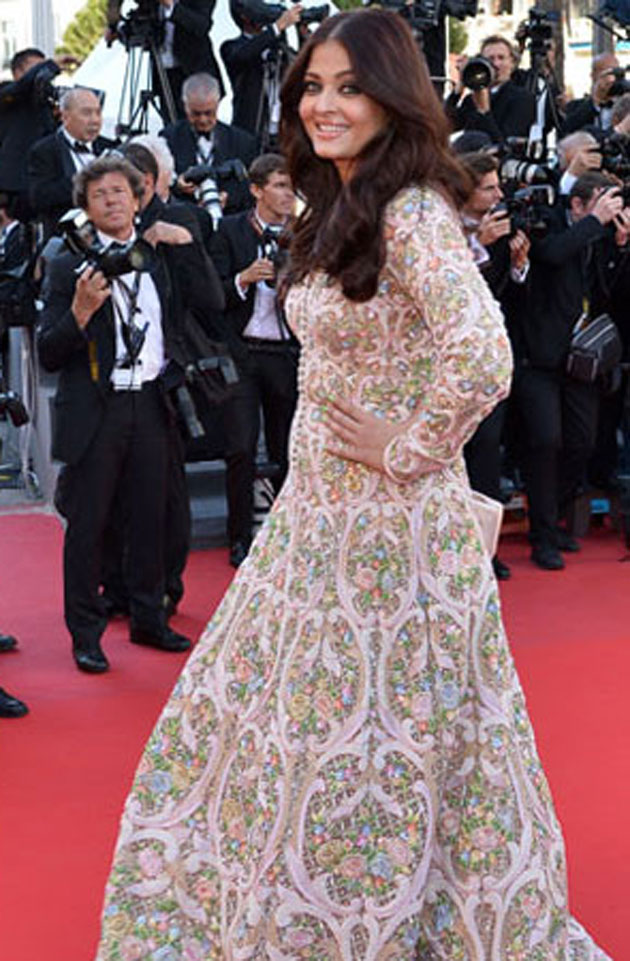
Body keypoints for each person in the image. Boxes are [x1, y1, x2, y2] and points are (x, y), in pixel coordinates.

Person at [93, 11, 611, 960]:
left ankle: (374, 913)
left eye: (350, 87)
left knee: (377, 728)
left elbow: (482, 355)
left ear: (392, 96)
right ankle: (318, 899)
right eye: (313, 86)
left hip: (388, 525)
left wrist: (404, 448)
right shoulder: (342, 201)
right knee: (310, 719)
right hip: (319, 511)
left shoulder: (409, 209)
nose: (325, 105)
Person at [37, 155, 221, 674]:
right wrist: (79, 312)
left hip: (153, 399)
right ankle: (86, 633)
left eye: (121, 191)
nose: (113, 200)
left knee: (151, 516)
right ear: (86, 210)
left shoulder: (159, 255)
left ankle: (148, 616)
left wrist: (187, 246)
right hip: (99, 408)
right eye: (101, 195)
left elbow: (210, 300)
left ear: (139, 197)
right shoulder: (66, 266)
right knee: (89, 525)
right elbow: (50, 352)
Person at [210, 152, 298, 568]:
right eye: (280, 186)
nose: (288, 195)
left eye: (292, 187)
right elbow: (211, 296)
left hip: (287, 353)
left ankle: (288, 534)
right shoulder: (229, 230)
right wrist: (244, 278)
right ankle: (240, 537)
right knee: (241, 448)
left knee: (288, 449)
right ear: (257, 189)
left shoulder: (305, 233)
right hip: (243, 353)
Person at [106, 0, 224, 119]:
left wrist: (170, 5)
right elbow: (141, 30)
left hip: (195, 75)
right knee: (171, 130)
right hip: (164, 76)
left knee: (197, 129)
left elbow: (201, 25)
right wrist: (117, 28)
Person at [160, 72, 257, 216]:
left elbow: (252, 189)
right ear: (185, 106)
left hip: (230, 222)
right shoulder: (168, 139)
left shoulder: (243, 142)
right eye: (195, 114)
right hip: (184, 219)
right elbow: (158, 186)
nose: (203, 120)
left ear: (218, 103)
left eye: (209, 113)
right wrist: (178, 185)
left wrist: (227, 198)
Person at [27, 87, 116, 239]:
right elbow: (39, 198)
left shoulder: (110, 147)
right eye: (87, 113)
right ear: (65, 116)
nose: (95, 120)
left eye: (98, 113)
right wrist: (83, 181)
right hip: (67, 240)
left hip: (110, 233)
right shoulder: (45, 150)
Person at [0, 48, 76, 222]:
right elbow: (22, 86)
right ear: (18, 72)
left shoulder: (45, 99)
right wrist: (52, 65)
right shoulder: (7, 93)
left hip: (46, 181)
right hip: (18, 185)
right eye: (37, 68)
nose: (44, 75)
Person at [446, 34, 536, 143]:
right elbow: (444, 126)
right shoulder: (471, 100)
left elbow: (505, 146)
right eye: (490, 59)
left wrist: (484, 111)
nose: (496, 64)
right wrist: (458, 90)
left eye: (501, 58)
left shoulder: (523, 98)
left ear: (512, 63)